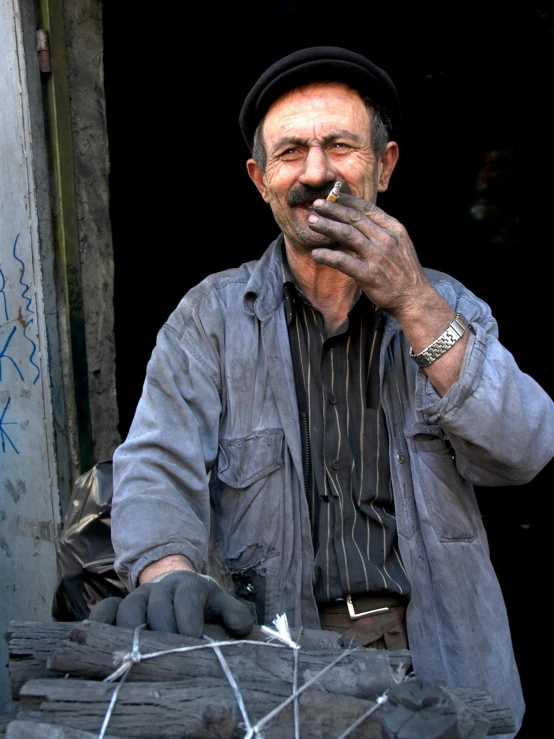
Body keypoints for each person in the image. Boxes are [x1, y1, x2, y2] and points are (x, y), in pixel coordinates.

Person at [97, 47, 554, 736]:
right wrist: (167, 574)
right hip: (275, 661)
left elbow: (524, 449)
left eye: (340, 145)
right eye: (290, 153)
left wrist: (411, 298)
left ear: (385, 164)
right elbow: (156, 467)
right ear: (260, 179)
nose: (315, 173)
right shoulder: (209, 320)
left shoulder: (450, 307)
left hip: (440, 657)